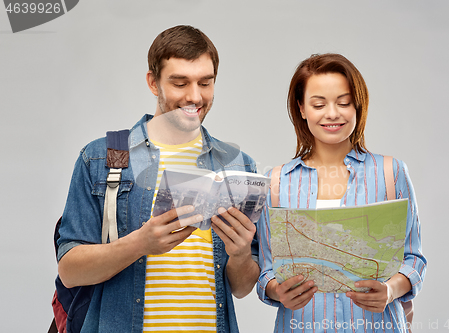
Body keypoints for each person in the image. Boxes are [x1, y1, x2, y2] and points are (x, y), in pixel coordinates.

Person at [57, 25, 260, 333]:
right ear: (153, 82)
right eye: (180, 83)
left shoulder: (236, 165)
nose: (195, 96)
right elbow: (69, 271)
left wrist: (242, 253)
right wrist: (141, 242)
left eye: (205, 83)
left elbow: (241, 287)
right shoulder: (106, 155)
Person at [256, 53, 427, 332]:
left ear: (357, 106)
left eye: (343, 102)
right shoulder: (276, 182)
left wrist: (390, 290)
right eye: (319, 104)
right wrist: (278, 291)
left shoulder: (390, 173)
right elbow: (266, 270)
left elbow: (414, 259)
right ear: (301, 108)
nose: (332, 113)